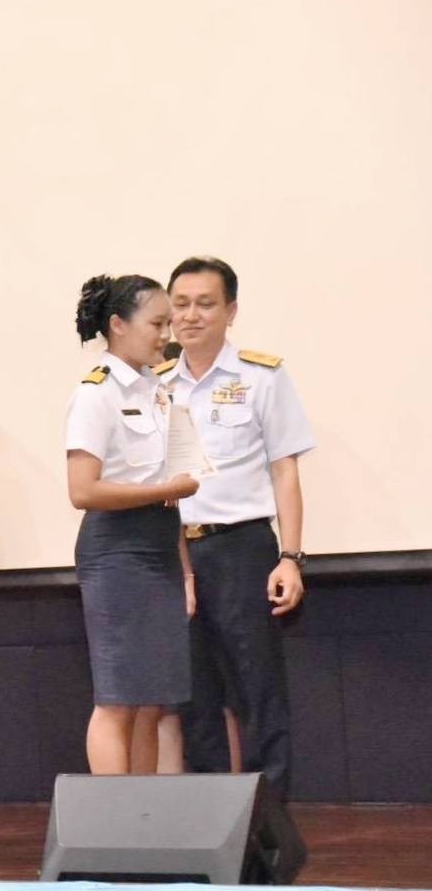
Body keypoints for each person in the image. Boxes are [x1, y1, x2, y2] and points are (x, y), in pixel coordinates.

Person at [158, 256, 315, 799]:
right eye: (180, 304)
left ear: (231, 311)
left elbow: (284, 470)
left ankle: (269, 819)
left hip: (241, 548)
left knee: (257, 688)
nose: (190, 315)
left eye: (205, 304)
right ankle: (210, 816)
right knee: (192, 695)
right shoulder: (154, 385)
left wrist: (291, 557)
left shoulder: (261, 376)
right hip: (174, 555)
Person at [65, 275, 198, 775]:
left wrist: (185, 571)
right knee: (118, 698)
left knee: (150, 700)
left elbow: (171, 489)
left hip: (159, 546)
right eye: (157, 323)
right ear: (119, 325)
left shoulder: (158, 389)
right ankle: (112, 817)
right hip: (117, 551)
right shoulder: (95, 393)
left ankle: (145, 812)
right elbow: (82, 491)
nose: (167, 334)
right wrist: (163, 491)